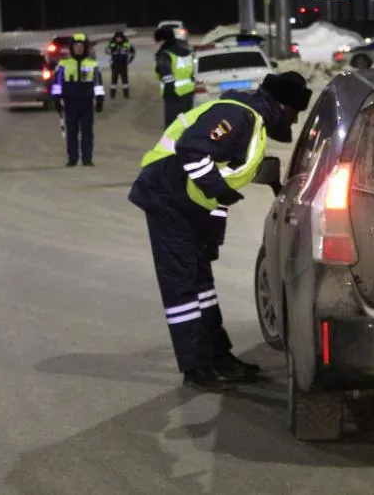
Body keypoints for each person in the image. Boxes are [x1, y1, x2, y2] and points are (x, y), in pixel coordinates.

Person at [128, 70, 312, 390]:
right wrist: (219, 191)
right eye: (294, 114)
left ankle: (218, 356)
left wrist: (212, 230)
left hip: (188, 205)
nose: (292, 122)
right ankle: (195, 367)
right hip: (167, 197)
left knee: (203, 285)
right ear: (283, 107)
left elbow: (220, 182)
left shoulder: (252, 123)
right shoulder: (237, 114)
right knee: (183, 288)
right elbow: (193, 151)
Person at [51, 33, 105, 167]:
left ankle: (87, 159)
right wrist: (56, 99)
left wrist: (100, 98)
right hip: (70, 103)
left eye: (81, 46)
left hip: (86, 103)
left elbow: (98, 83)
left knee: (87, 131)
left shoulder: (93, 64)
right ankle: (72, 159)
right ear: (71, 47)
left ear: (85, 48)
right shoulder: (63, 64)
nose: (79, 48)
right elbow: (57, 83)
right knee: (72, 132)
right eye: (76, 46)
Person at [154, 26, 195, 128]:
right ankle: (187, 142)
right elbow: (192, 70)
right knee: (186, 122)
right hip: (188, 91)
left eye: (158, 41)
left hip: (173, 93)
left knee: (172, 125)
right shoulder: (186, 50)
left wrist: (169, 90)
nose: (157, 44)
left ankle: (171, 144)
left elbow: (166, 73)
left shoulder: (165, 54)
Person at [106, 30, 136, 99]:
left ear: (123, 38)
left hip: (123, 65)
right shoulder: (112, 44)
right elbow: (106, 51)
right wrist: (111, 54)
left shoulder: (126, 44)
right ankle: (112, 95)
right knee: (113, 81)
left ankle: (126, 95)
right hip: (114, 65)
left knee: (125, 81)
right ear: (115, 38)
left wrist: (130, 60)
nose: (119, 39)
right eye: (117, 37)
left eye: (120, 37)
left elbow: (133, 52)